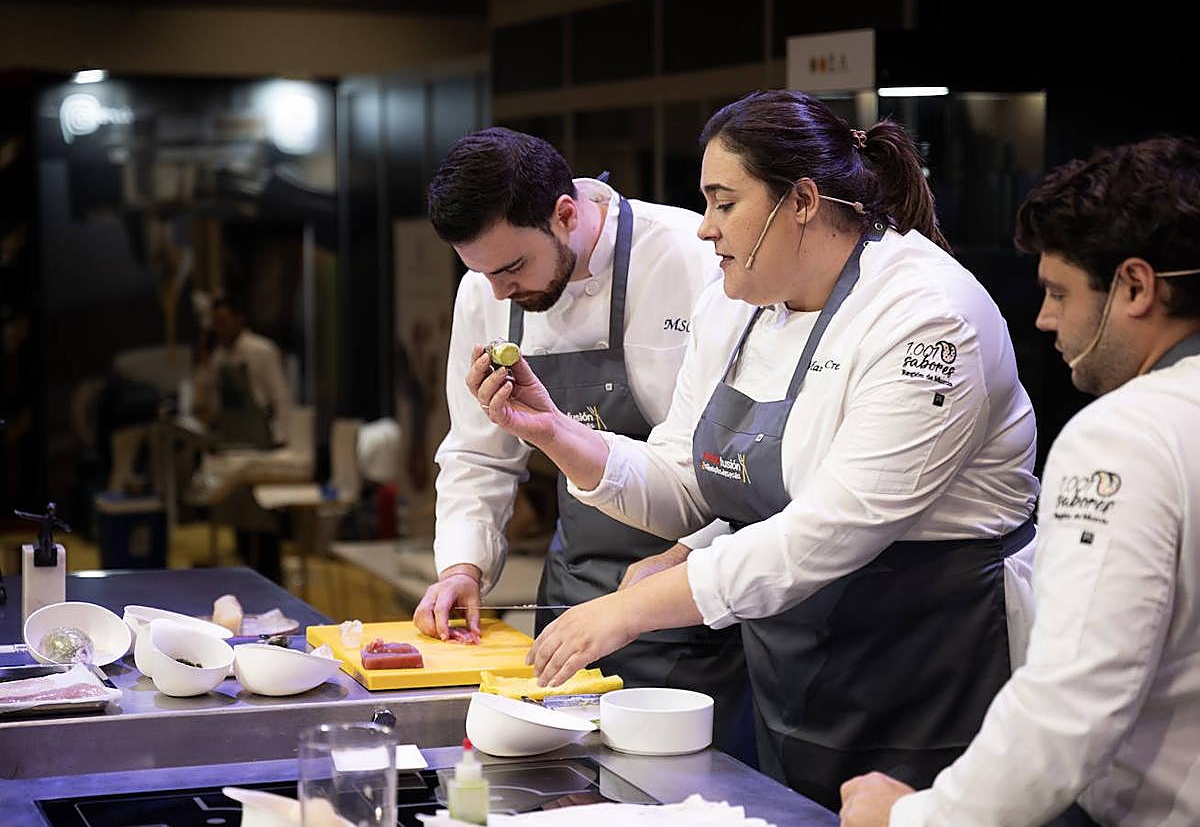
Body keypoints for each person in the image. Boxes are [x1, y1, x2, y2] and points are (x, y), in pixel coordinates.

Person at [468, 91, 1039, 810]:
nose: (704, 229)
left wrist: (628, 611)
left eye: (723, 202)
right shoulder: (734, 304)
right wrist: (555, 432)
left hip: (928, 665)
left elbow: (829, 532)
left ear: (800, 200)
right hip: (799, 666)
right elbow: (683, 480)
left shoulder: (928, 317)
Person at [839, 137, 1200, 826]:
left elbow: (1074, 698)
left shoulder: (1125, 434)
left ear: (1135, 286)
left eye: (1060, 292)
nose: (1044, 319)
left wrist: (913, 817)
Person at [413, 127, 755, 762]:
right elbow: (478, 451)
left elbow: (744, 465)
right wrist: (461, 566)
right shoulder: (487, 289)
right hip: (576, 590)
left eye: (513, 267)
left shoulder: (692, 258)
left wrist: (693, 554)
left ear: (565, 214)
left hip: (693, 586)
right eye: (481, 273)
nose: (498, 292)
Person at [193, 290, 294, 582]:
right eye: (215, 323)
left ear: (239, 319)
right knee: (239, 524)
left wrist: (280, 444)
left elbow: (281, 399)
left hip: (258, 448)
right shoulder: (221, 356)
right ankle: (247, 580)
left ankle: (271, 581)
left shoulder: (260, 351)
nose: (219, 329)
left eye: (223, 322)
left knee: (262, 524)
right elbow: (204, 395)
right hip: (231, 447)